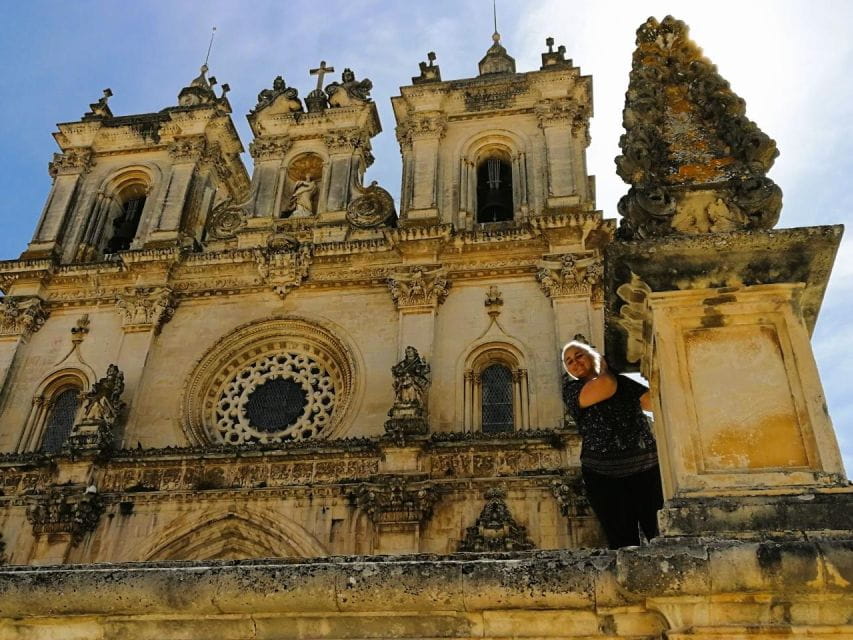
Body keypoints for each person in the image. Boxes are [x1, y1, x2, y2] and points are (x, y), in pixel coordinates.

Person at [561, 340, 663, 549]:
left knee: (660, 534)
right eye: (569, 361)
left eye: (579, 355)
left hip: (645, 465)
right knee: (622, 541)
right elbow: (606, 385)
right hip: (603, 472)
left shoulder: (622, 381)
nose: (574, 363)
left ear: (592, 356)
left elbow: (653, 403)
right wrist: (605, 368)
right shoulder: (573, 389)